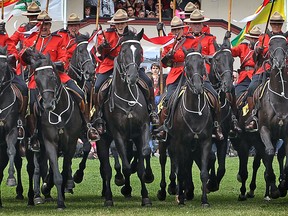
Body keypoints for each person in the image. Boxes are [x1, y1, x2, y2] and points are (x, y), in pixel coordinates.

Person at [20, 11, 98, 152]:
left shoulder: (57, 39)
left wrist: (52, 64)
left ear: (50, 25)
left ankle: (87, 126)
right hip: (38, 78)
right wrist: (27, 54)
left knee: (80, 92)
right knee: (31, 103)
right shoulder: (30, 40)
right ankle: (35, 134)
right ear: (38, 25)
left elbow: (63, 60)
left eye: (47, 24)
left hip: (59, 76)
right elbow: (23, 60)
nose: (44, 27)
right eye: (42, 25)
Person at [94, 9, 159, 134]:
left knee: (147, 82)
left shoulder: (132, 34)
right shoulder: (106, 34)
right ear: (114, 24)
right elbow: (100, 55)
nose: (120, 25)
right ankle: (99, 116)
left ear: (126, 23)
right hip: (110, 66)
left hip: (130, 66)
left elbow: (139, 52)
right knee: (97, 87)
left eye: (122, 23)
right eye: (118, 23)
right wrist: (102, 48)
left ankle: (152, 111)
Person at [156, 16, 199, 139]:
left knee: (204, 95)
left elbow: (195, 57)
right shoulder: (169, 43)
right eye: (174, 30)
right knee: (168, 99)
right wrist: (167, 56)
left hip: (189, 74)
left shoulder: (192, 40)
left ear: (183, 28)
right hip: (175, 74)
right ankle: (165, 126)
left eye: (178, 29)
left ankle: (213, 125)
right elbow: (164, 64)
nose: (176, 32)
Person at [184, 9, 224, 140]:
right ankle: (167, 125)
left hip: (203, 75)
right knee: (170, 98)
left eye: (198, 23)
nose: (196, 25)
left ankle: (216, 126)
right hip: (187, 75)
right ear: (190, 25)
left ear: (202, 24)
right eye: (194, 23)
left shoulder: (210, 38)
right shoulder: (184, 39)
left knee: (214, 98)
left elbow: (214, 55)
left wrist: (203, 56)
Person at [245, 11, 285, 132]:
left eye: (279, 24)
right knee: (252, 88)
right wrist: (257, 51)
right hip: (266, 69)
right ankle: (253, 116)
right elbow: (254, 59)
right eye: (274, 23)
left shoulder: (285, 38)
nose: (276, 26)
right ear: (271, 24)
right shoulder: (263, 37)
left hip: (281, 71)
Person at [231, 26, 261, 99]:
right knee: (235, 95)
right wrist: (226, 43)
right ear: (249, 38)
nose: (254, 40)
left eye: (256, 39)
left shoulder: (262, 50)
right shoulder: (243, 47)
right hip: (244, 77)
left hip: (257, 76)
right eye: (252, 38)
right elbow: (231, 52)